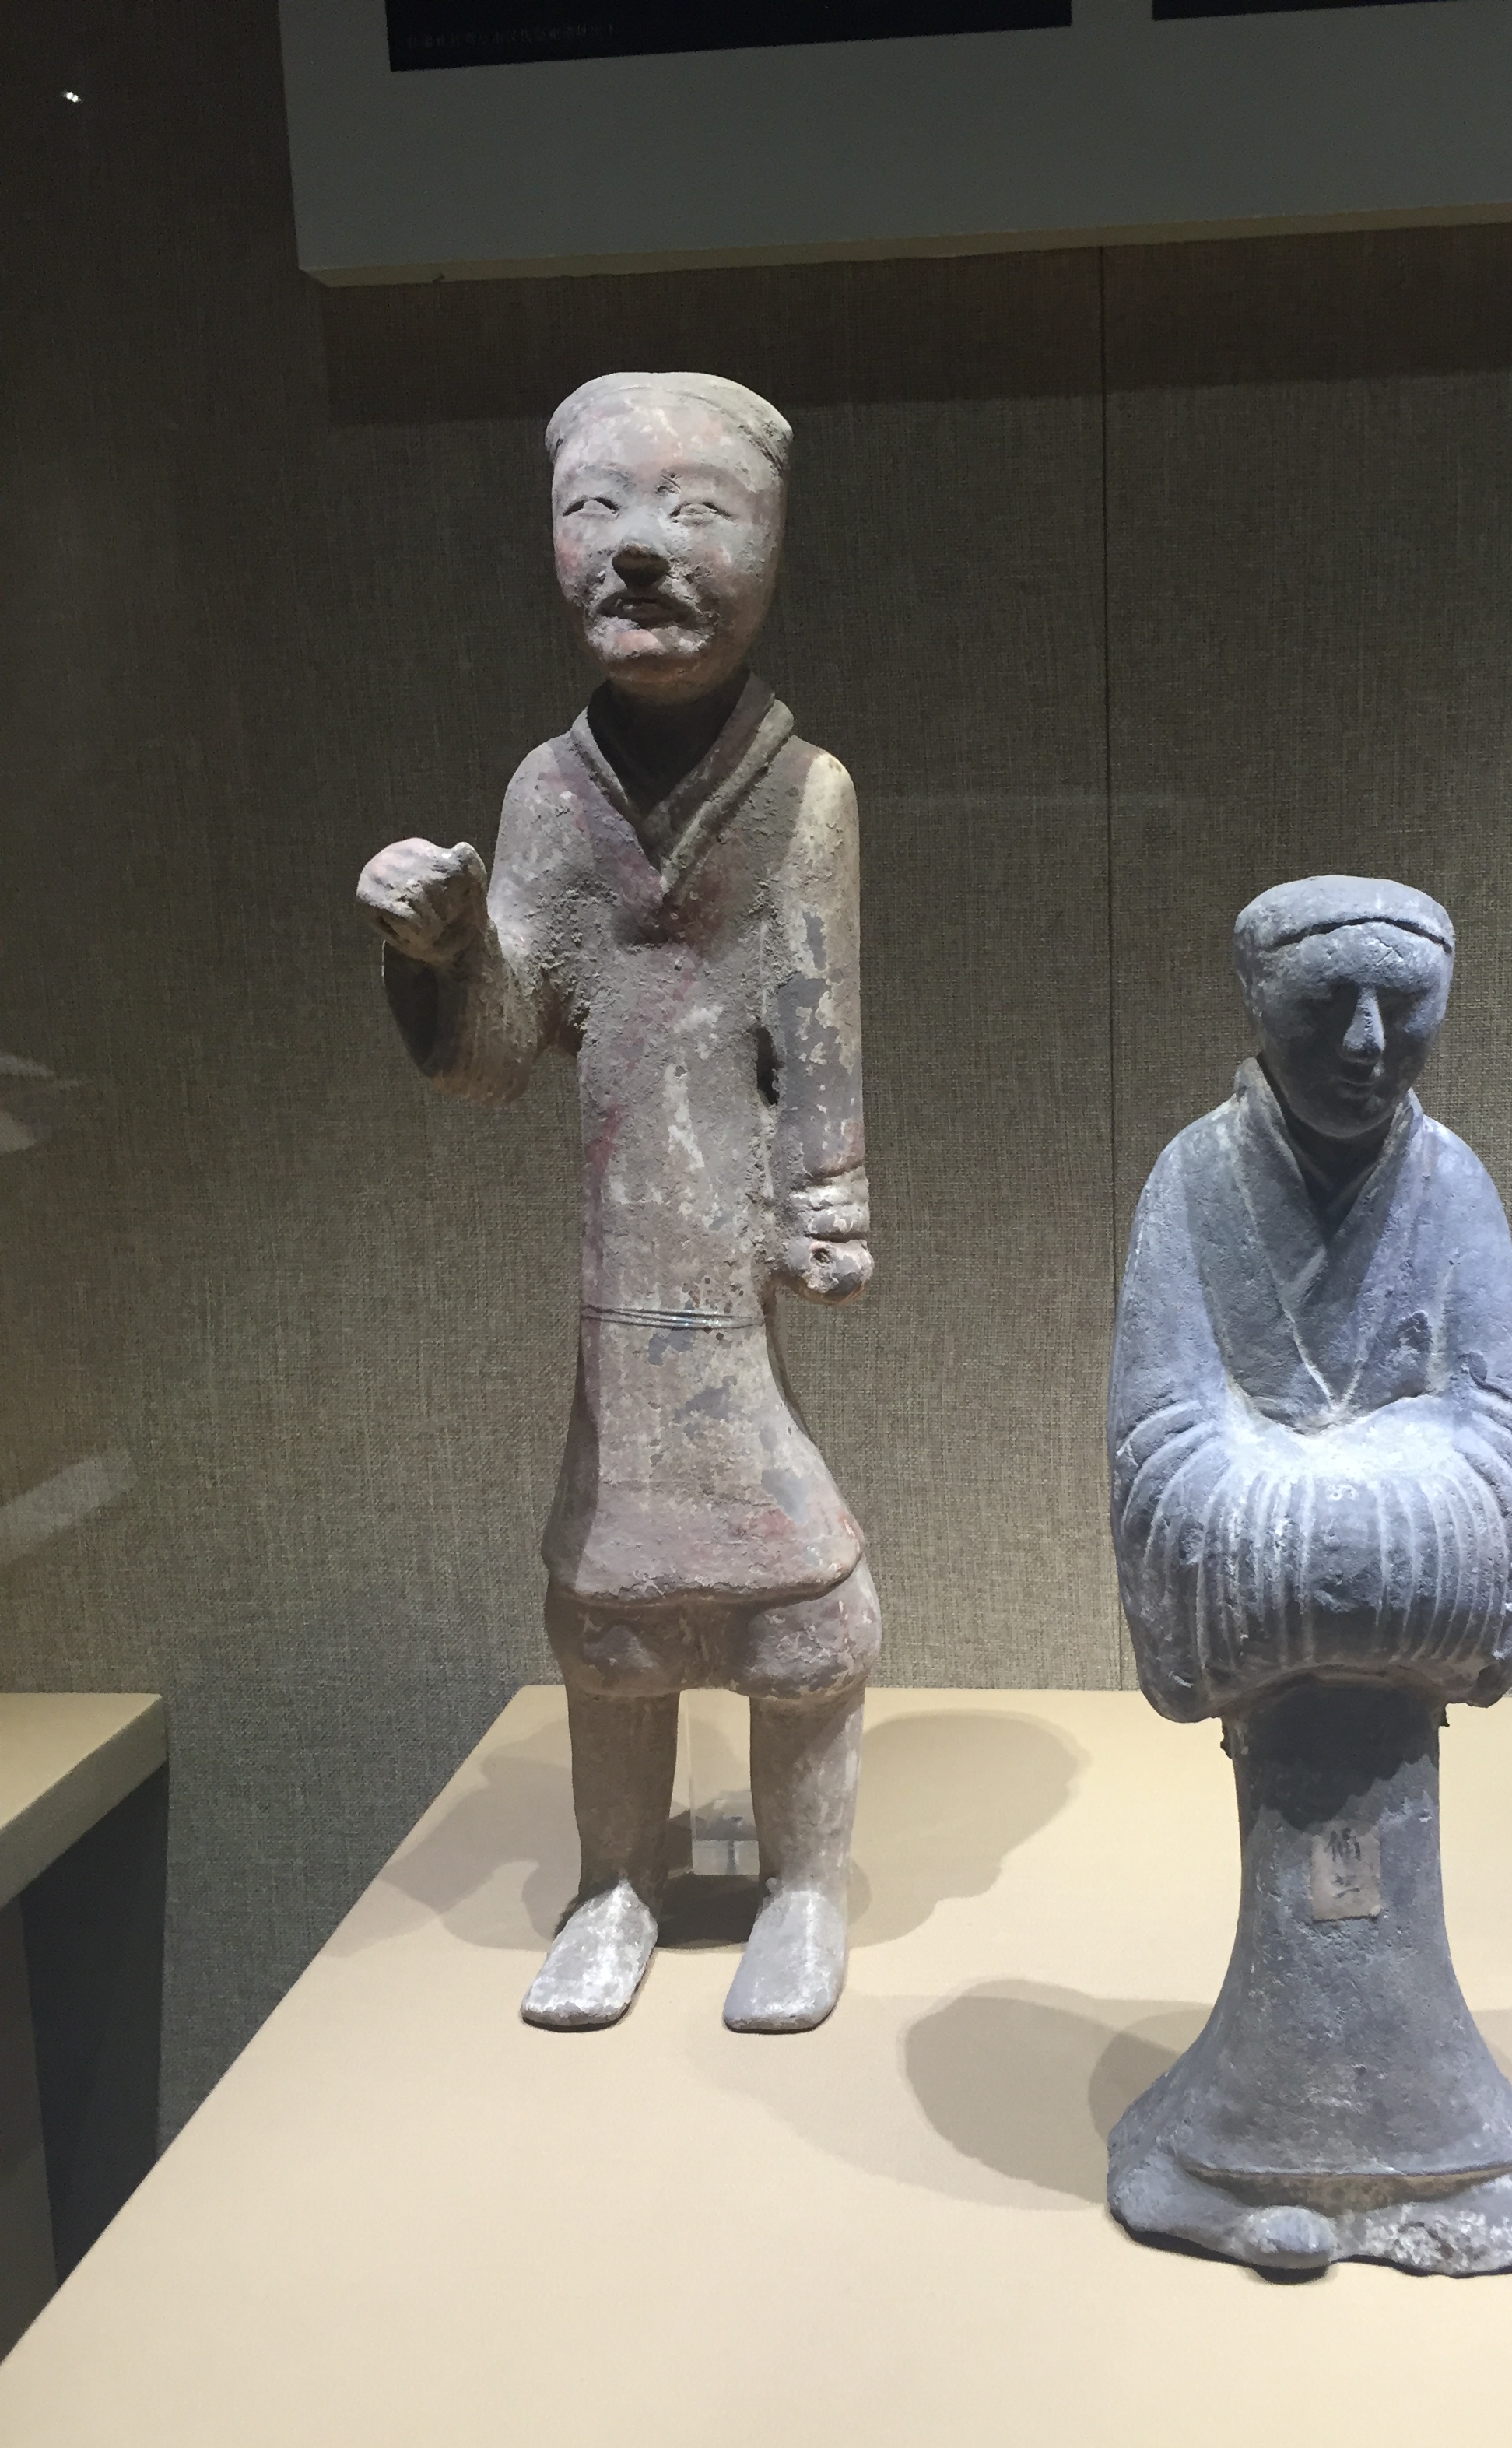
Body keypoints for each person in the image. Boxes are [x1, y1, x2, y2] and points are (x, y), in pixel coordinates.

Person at [356, 372, 875, 2036]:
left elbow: (819, 1010)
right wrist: (445, 952)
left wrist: (827, 1196)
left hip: (729, 1249)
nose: (641, 549)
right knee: (613, 1600)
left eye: (696, 512)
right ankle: (618, 1886)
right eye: (598, 510)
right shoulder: (547, 796)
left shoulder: (804, 793)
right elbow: (499, 1055)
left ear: (770, 544)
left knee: (801, 1607)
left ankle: (805, 1886)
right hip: (623, 1256)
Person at [1105, 874, 1512, 2274]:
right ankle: (1249, 2144)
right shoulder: (1194, 1182)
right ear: (1257, 1001)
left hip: (1361, 1652)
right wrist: (1387, 1500)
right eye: (1331, 1003)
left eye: (1408, 1006)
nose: (1369, 1043)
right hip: (1294, 1647)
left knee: (1382, 1885)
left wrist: (1291, 1512)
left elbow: (1501, 1443)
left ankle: (1413, 2148)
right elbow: (1160, 1442)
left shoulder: (1455, 1186)